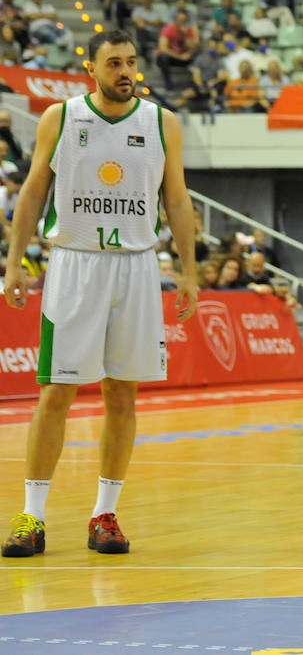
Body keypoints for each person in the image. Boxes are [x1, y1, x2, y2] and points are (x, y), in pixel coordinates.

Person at [3, 30, 199, 558]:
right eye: (114, 63)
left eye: (131, 63)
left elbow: (177, 201)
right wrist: (16, 261)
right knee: (56, 392)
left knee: (122, 394)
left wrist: (188, 270)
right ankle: (31, 517)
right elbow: (33, 193)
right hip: (75, 263)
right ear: (89, 67)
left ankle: (104, 514)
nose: (125, 72)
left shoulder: (162, 122)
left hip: (136, 266)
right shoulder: (60, 118)